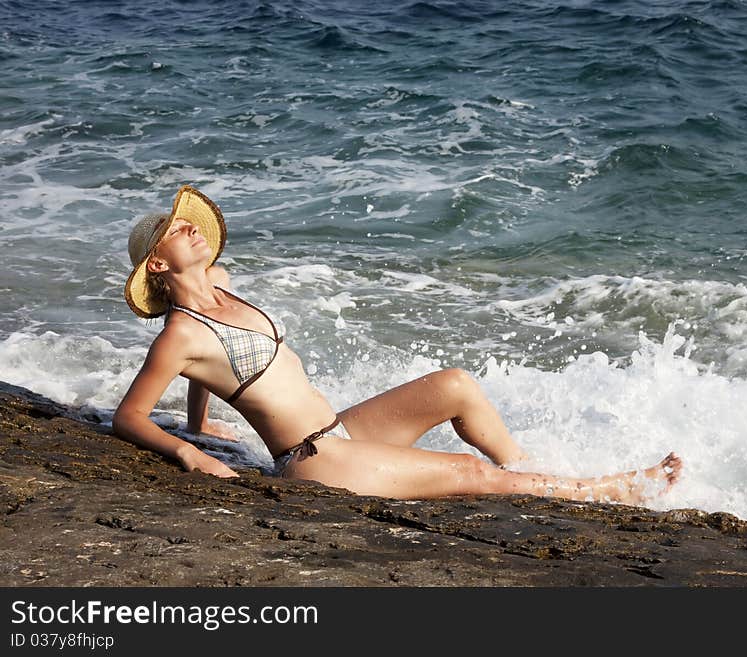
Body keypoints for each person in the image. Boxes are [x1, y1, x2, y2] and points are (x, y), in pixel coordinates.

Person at [113, 184, 682, 505]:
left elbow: (204, 372)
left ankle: (536, 476)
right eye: (175, 228)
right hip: (314, 461)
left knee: (455, 385)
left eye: (188, 221)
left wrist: (200, 422)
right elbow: (129, 417)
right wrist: (191, 455)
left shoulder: (222, 284)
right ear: (159, 263)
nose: (190, 226)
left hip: (340, 430)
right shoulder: (178, 335)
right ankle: (610, 491)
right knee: (467, 472)